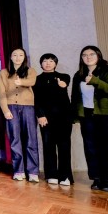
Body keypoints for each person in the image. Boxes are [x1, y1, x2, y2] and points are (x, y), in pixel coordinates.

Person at [71, 45, 108, 192]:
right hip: (87, 116)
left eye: (91, 54)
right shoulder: (79, 74)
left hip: (106, 115)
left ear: (98, 56)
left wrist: (95, 81)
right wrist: (75, 116)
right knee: (91, 148)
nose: (88, 57)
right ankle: (96, 178)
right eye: (84, 55)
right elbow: (75, 97)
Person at [0, 48, 39, 182]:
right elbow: (1, 93)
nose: (17, 57)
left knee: (31, 139)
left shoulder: (30, 71)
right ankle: (19, 170)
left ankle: (33, 172)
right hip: (11, 107)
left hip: (28, 107)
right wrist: (5, 110)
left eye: (21, 55)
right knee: (15, 139)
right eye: (15, 55)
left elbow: (32, 81)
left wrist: (21, 82)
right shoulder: (3, 73)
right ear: (10, 57)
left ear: (24, 58)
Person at [33, 53, 73, 186]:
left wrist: (62, 84)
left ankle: (65, 176)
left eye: (51, 61)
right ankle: (51, 174)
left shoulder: (64, 76)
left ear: (55, 63)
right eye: (45, 61)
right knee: (48, 145)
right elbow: (36, 99)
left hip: (64, 117)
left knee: (64, 146)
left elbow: (65, 83)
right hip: (45, 118)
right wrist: (40, 115)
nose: (48, 63)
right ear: (41, 64)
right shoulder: (37, 79)